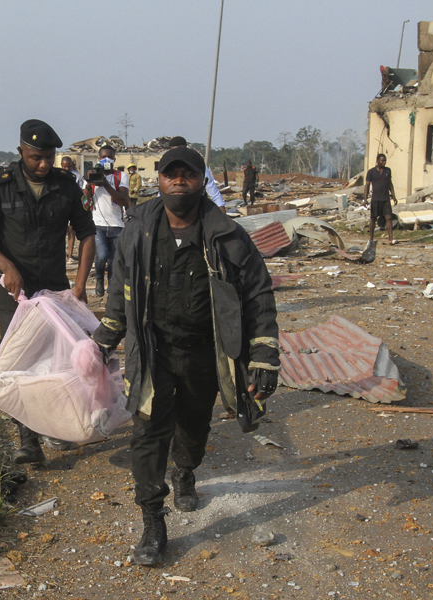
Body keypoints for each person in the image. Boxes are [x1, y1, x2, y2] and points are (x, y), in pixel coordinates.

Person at [92, 146, 280, 567]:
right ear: (159, 180)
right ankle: (153, 521)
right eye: (171, 173)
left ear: (200, 181)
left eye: (188, 174)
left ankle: (186, 469)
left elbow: (257, 294)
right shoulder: (139, 226)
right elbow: (122, 282)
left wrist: (264, 354)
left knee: (193, 428)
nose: (179, 180)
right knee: (147, 433)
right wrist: (107, 335)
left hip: (203, 354)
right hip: (152, 349)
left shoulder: (226, 234)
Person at [0, 119, 97, 464]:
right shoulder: (0, 186)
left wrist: (81, 284)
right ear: (21, 151)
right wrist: (5, 266)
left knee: (57, 361)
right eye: (35, 157)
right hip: (16, 295)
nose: (43, 164)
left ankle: (55, 427)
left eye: (49, 157)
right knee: (18, 364)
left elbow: (87, 233)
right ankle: (28, 441)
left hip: (55, 291)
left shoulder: (66, 186)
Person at [87, 145, 131, 297]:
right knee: (102, 256)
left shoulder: (121, 176)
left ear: (114, 159)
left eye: (110, 157)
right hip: (98, 224)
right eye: (103, 156)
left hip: (116, 224)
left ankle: (112, 288)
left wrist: (105, 183)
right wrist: (89, 183)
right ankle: (99, 279)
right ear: (98, 158)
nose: (107, 159)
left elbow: (123, 199)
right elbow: (84, 201)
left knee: (114, 260)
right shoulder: (93, 175)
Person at [167, 136, 224, 208]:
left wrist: (221, 210)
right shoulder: (167, 168)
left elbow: (212, 189)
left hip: (196, 208)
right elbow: (162, 192)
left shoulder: (198, 166)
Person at [364, 153, 397, 244]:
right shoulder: (371, 172)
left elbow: (390, 184)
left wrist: (393, 196)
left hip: (385, 199)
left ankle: (390, 238)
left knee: (389, 217)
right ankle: (371, 238)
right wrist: (365, 199)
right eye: (382, 160)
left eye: (385, 160)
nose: (384, 162)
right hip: (376, 199)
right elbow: (367, 185)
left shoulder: (387, 171)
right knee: (373, 219)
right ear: (377, 161)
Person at [62, 156, 86, 260]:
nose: (67, 169)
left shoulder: (76, 176)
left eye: (69, 166)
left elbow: (81, 191)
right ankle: (61, 255)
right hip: (61, 207)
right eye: (65, 166)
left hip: (72, 207)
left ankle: (70, 255)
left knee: (71, 232)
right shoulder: (57, 176)